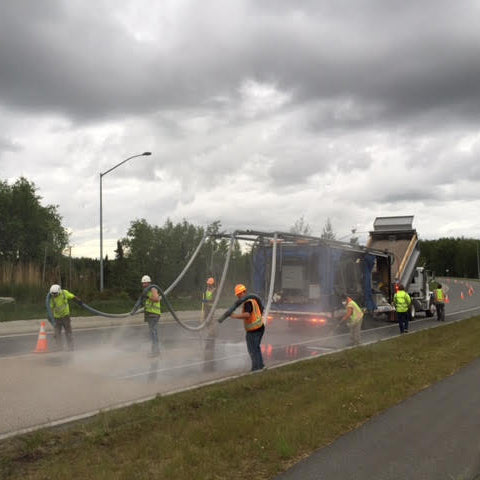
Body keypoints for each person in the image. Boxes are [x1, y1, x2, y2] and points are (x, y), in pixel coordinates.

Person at [229, 284, 265, 372]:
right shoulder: (252, 299)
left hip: (255, 329)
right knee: (253, 348)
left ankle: (257, 368)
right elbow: (261, 309)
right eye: (237, 295)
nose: (238, 296)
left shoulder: (248, 301)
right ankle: (258, 366)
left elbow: (247, 314)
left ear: (244, 292)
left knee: (253, 349)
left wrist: (235, 316)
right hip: (256, 328)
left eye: (239, 294)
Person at [49, 284, 82, 351]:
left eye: (55, 294)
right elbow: (51, 308)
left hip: (65, 316)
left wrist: (78, 301)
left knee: (68, 332)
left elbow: (72, 296)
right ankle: (59, 347)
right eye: (53, 294)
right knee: (57, 333)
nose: (54, 295)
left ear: (59, 291)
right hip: (57, 318)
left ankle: (70, 347)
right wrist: (50, 316)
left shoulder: (64, 293)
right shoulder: (51, 297)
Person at [141, 275, 161, 357]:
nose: (143, 285)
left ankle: (155, 352)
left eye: (144, 283)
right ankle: (155, 351)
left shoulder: (153, 289)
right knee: (152, 333)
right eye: (142, 283)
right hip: (150, 314)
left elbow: (156, 299)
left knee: (153, 333)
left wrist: (148, 297)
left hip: (154, 314)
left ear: (148, 282)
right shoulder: (147, 290)